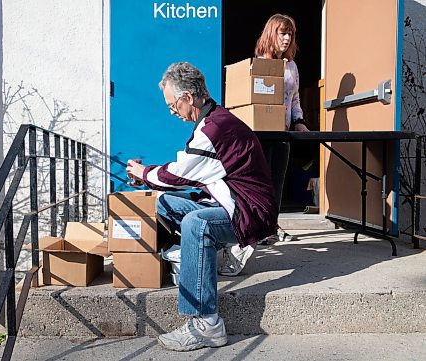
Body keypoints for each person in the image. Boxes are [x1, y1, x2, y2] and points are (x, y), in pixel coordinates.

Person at [126, 62, 277, 352]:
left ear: (188, 97)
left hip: (250, 212)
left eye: (173, 105)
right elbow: (187, 175)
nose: (172, 112)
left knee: (197, 224)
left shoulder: (215, 128)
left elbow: (181, 174)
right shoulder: (214, 122)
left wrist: (144, 173)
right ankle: (196, 260)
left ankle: (206, 324)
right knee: (167, 203)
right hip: (233, 201)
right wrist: (147, 178)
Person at [219, 14, 310, 277]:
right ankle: (247, 230)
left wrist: (299, 121)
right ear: (271, 34)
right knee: (256, 183)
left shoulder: (291, 67)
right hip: (257, 134)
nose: (287, 38)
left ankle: (271, 226)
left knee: (277, 182)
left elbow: (294, 100)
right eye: (282, 33)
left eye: (290, 34)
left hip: (281, 132)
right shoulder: (257, 66)